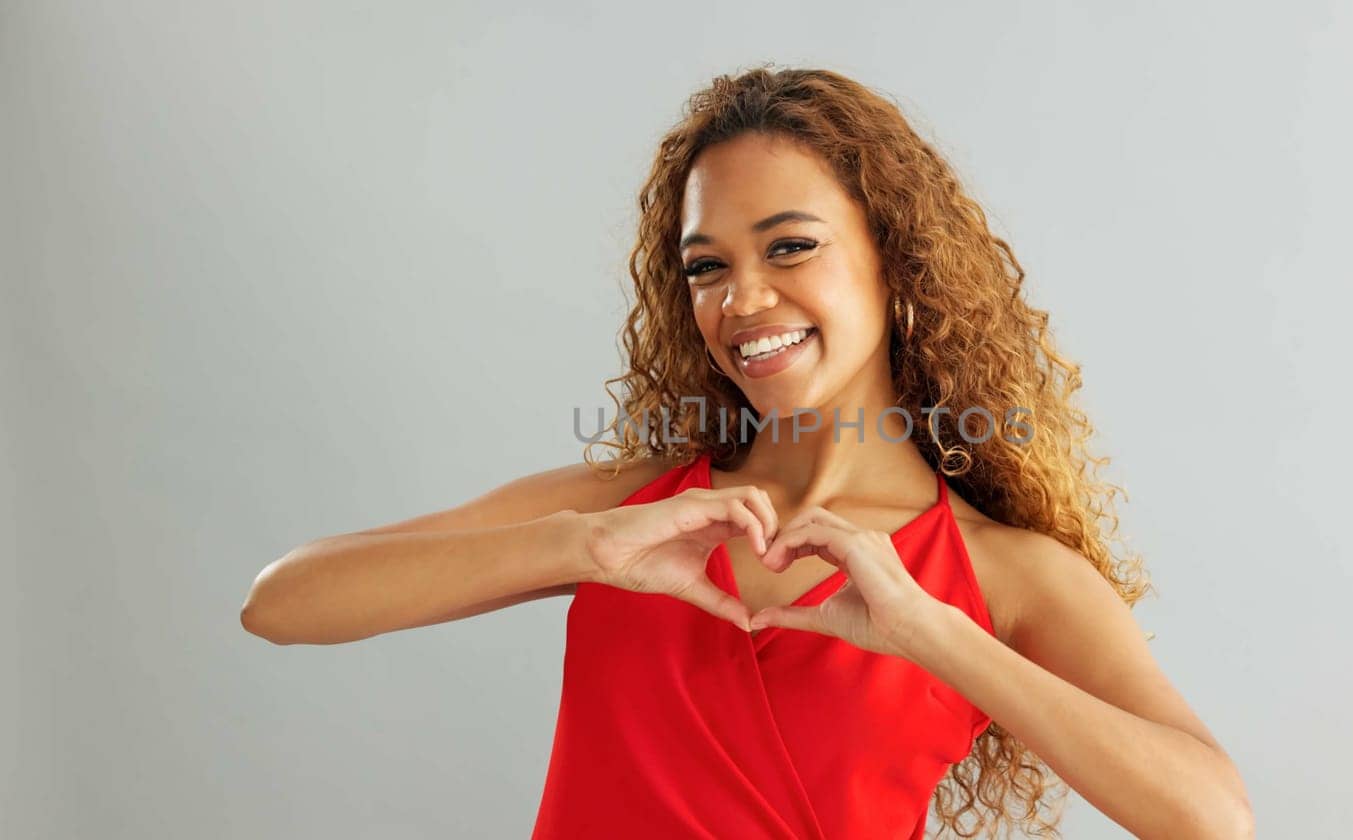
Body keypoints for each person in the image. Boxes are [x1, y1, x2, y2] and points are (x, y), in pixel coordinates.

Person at [241, 66, 1253, 839]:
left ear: (893, 265)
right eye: (706, 266)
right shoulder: (634, 509)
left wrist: (927, 632)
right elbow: (282, 601)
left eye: (790, 246)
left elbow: (1210, 814)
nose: (742, 299)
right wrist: (579, 549)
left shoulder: (1001, 573)